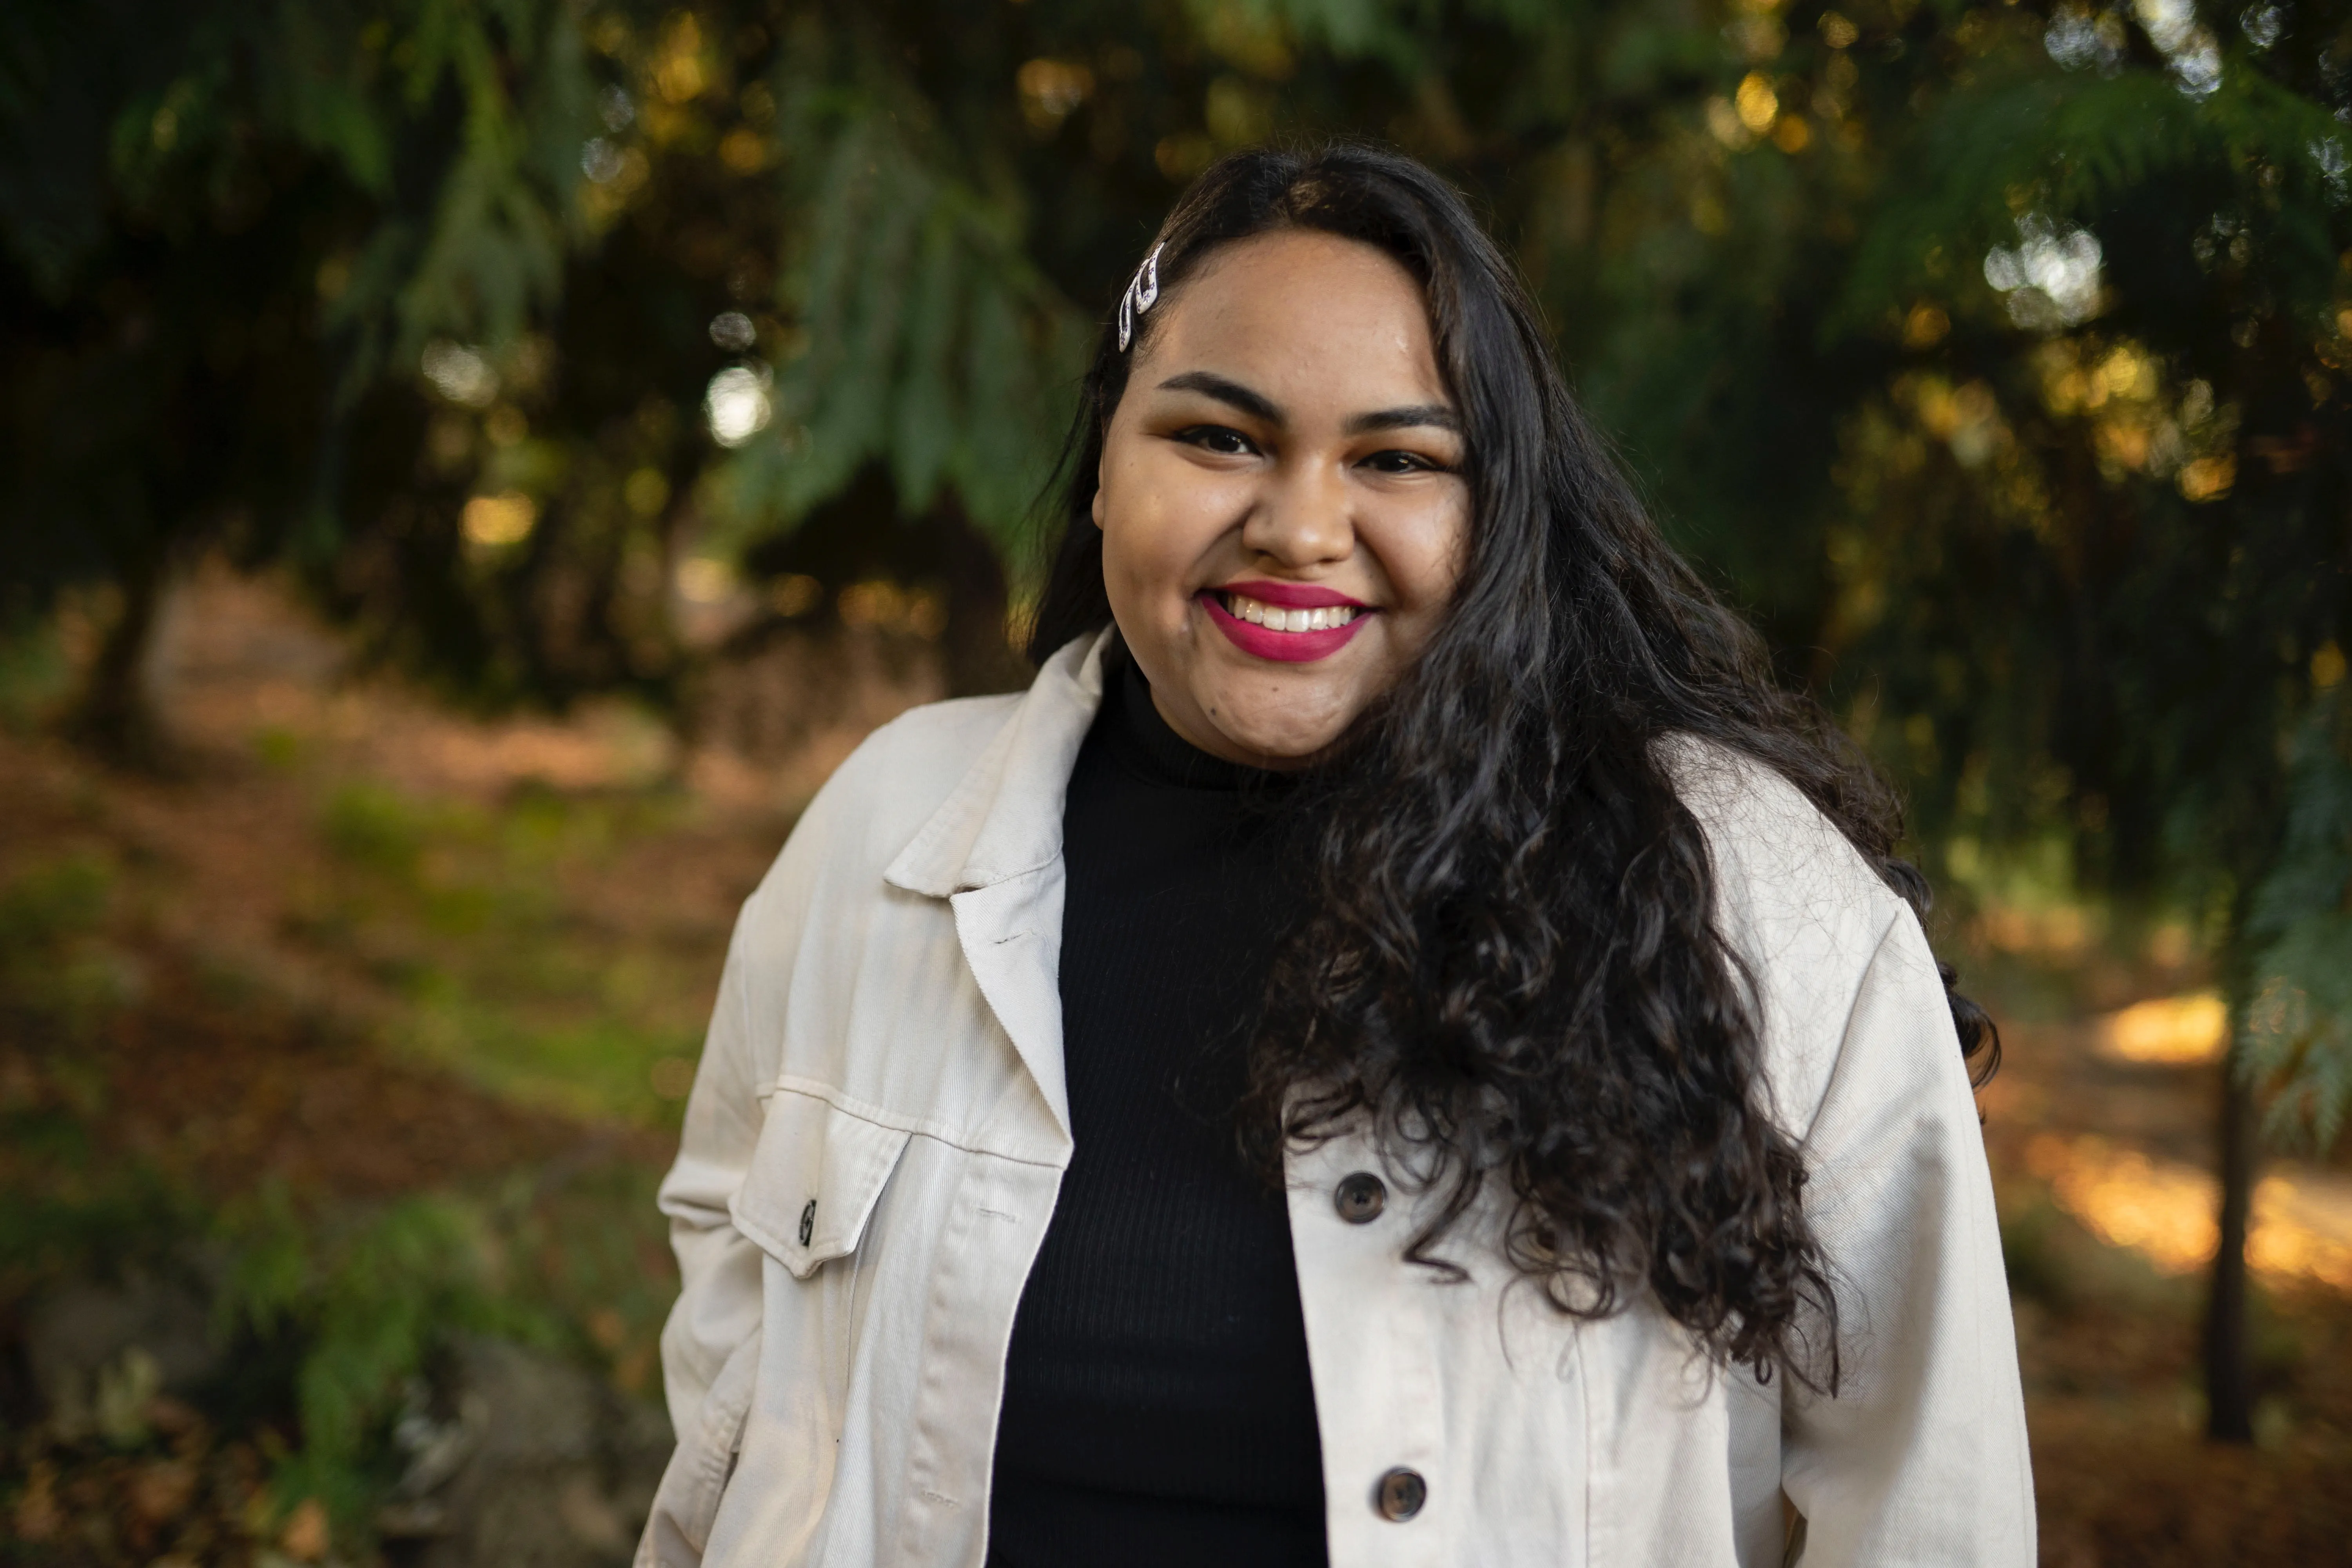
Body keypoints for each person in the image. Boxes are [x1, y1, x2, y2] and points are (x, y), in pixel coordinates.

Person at [637, 143, 2033, 1568]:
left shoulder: (1751, 899)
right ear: (1107, 463)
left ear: (1497, 517)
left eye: (1400, 459)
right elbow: (738, 1304)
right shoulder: (888, 827)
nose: (1301, 528)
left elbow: (1928, 1495)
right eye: (1219, 438)